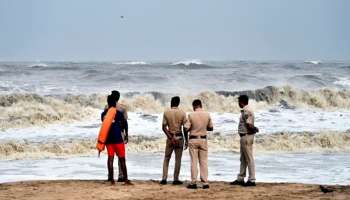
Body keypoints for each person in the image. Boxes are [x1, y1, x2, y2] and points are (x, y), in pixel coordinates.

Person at [101, 95, 131, 185]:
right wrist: (126, 134)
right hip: (118, 139)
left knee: (110, 159)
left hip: (108, 140)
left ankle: (111, 180)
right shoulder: (118, 113)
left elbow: (104, 123)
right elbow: (125, 123)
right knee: (122, 159)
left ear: (107, 103)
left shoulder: (103, 114)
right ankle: (125, 180)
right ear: (115, 103)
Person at [184, 99, 213, 189]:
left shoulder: (191, 115)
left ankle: (193, 182)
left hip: (193, 139)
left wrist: (186, 139)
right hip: (203, 139)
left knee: (194, 161)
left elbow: (185, 128)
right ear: (201, 105)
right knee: (203, 161)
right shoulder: (207, 114)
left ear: (194, 106)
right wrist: (203, 127)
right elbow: (211, 128)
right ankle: (205, 182)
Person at [230, 95, 258, 187]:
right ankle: (241, 178)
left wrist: (255, 129)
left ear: (241, 101)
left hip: (246, 136)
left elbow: (249, 124)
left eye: (239, 101)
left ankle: (252, 179)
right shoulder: (246, 110)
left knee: (249, 158)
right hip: (244, 136)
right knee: (243, 159)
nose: (238, 103)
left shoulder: (247, 110)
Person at [160, 96, 187, 185]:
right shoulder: (182, 113)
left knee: (167, 158)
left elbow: (163, 127)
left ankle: (164, 178)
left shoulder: (166, 112)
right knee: (178, 159)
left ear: (171, 102)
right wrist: (186, 140)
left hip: (170, 137)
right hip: (179, 137)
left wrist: (170, 138)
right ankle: (176, 179)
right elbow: (185, 128)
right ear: (178, 103)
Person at [110, 90, 129, 182]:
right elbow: (125, 122)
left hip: (110, 133)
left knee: (111, 155)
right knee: (121, 155)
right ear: (118, 98)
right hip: (120, 132)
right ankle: (121, 175)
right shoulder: (122, 108)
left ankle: (110, 176)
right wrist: (126, 135)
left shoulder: (107, 107)